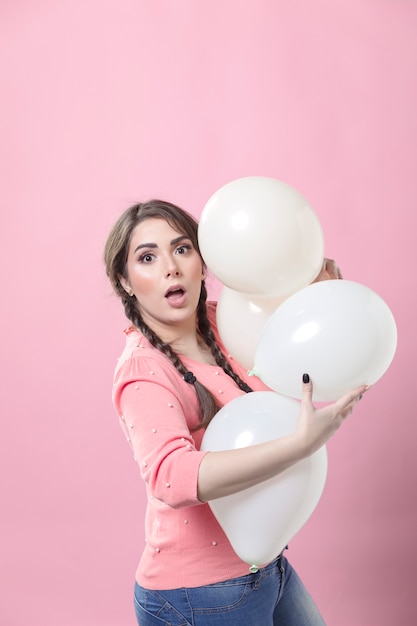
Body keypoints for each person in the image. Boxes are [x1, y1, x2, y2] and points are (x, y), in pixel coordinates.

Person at [104, 199, 367, 626]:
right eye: (147, 257)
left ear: (203, 262)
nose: (171, 266)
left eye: (182, 248)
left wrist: (322, 293)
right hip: (197, 594)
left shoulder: (227, 323)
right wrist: (298, 446)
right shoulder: (144, 369)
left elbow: (298, 350)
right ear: (126, 281)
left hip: (266, 565)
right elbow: (170, 478)